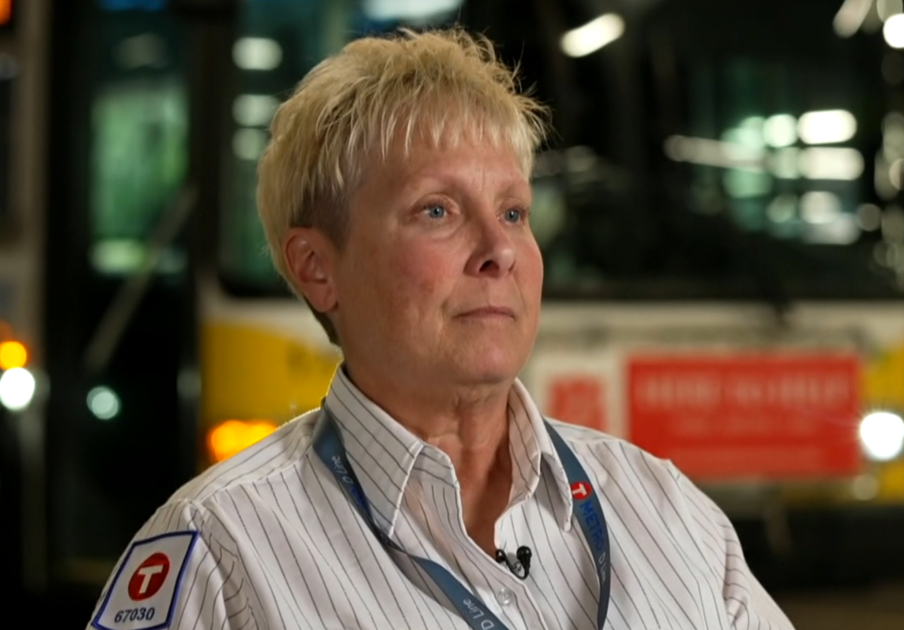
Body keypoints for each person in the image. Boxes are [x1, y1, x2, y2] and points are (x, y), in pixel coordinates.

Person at [87, 28, 795, 630]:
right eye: (437, 212)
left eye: (515, 212)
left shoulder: (666, 510)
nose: (501, 249)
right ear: (316, 268)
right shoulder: (219, 552)